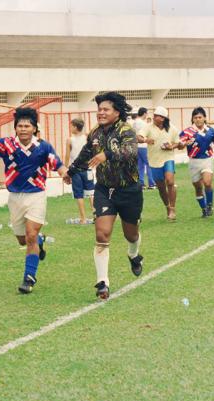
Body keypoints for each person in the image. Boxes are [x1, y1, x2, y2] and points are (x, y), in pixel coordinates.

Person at [0, 107, 68, 294]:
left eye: (27, 125)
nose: (24, 129)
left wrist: (66, 174)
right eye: (20, 125)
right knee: (22, 240)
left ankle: (29, 278)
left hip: (36, 195)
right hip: (15, 197)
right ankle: (39, 242)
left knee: (30, 235)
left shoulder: (44, 147)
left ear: (34, 128)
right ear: (15, 128)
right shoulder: (7, 145)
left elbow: (58, 165)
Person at [65, 92, 144, 300]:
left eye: (105, 109)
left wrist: (107, 154)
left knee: (131, 235)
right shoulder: (95, 133)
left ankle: (134, 255)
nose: (101, 113)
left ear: (117, 112)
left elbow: (131, 152)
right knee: (102, 234)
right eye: (99, 109)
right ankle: (103, 283)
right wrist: (71, 171)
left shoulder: (126, 131)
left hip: (129, 190)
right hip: (104, 190)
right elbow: (85, 154)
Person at [137, 106, 182, 221]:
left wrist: (171, 146)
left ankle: (173, 209)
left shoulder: (172, 129)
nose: (154, 117)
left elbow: (178, 143)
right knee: (161, 188)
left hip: (168, 158)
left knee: (170, 182)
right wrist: (146, 140)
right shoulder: (148, 127)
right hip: (154, 161)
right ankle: (167, 207)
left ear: (163, 118)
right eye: (155, 115)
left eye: (157, 116)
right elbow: (139, 137)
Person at [179, 107, 214, 218]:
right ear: (192, 119)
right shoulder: (187, 132)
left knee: (207, 183)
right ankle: (204, 208)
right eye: (195, 117)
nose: (198, 119)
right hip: (194, 161)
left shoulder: (210, 131)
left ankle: (209, 204)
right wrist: (183, 144)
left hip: (207, 159)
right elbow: (180, 145)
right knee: (198, 187)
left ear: (204, 118)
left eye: (200, 117)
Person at [64, 118, 94, 225]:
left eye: (71, 126)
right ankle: (96, 216)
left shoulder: (70, 140)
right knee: (91, 194)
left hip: (75, 170)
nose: (70, 128)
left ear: (75, 127)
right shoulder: (87, 138)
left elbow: (67, 156)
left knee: (79, 195)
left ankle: (83, 219)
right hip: (88, 168)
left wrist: (65, 171)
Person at [133, 107, 155, 189]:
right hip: (143, 146)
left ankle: (141, 183)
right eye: (147, 113)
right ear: (144, 113)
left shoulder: (135, 122)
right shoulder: (143, 123)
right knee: (149, 164)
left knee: (140, 166)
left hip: (136, 146)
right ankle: (152, 183)